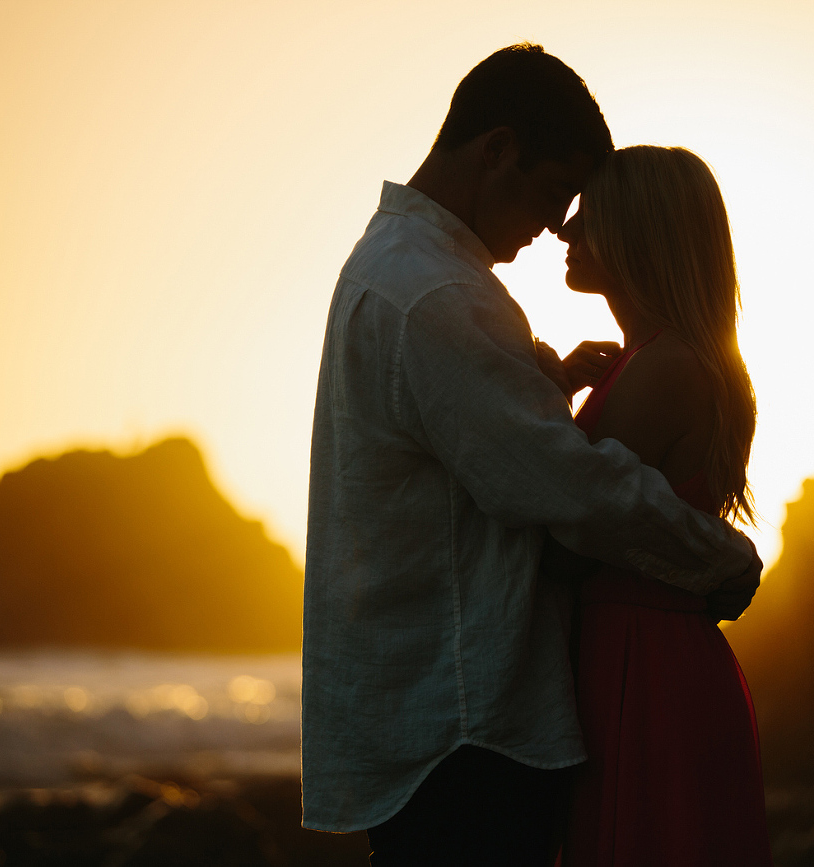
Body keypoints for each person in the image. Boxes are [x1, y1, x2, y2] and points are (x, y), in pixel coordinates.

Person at [301, 45, 762, 866]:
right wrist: (719, 557)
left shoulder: (400, 272)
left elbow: (490, 445)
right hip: (464, 723)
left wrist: (541, 377)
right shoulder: (437, 294)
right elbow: (566, 486)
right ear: (498, 150)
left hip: (441, 714)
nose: (558, 225)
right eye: (554, 192)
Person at [549, 145, 773, 866]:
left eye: (590, 211)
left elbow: (568, 522)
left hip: (639, 664)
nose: (565, 227)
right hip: (647, 653)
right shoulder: (650, 360)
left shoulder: (663, 369)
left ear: (638, 228)